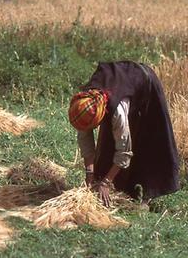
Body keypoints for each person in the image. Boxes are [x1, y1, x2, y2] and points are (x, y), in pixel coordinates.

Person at [68, 61, 179, 206]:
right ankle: (116, 184)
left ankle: (145, 195)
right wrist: (90, 174)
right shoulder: (85, 103)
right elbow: (85, 138)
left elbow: (124, 150)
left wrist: (106, 183)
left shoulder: (117, 111)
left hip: (146, 84)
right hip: (122, 86)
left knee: (147, 141)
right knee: (108, 145)